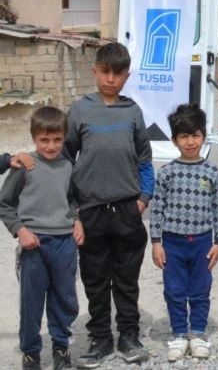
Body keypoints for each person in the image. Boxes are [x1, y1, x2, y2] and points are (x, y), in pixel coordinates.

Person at [65, 42, 154, 368]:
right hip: (90, 212)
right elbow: (64, 159)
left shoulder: (132, 112)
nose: (111, 79)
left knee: (127, 279)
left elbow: (145, 160)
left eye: (118, 73)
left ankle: (129, 336)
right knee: (95, 279)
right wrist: (73, 210)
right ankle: (101, 339)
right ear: (95, 71)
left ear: (127, 76)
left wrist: (143, 199)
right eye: (105, 72)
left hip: (127, 211)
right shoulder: (80, 110)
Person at [0, 107, 82, 370]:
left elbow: (70, 199)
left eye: (57, 139)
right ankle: (31, 352)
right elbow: (4, 203)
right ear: (34, 137)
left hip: (64, 245)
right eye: (44, 140)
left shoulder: (68, 166)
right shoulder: (25, 166)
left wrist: (76, 219)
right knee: (32, 302)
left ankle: (60, 347)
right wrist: (20, 230)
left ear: (64, 138)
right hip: (34, 245)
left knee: (64, 298)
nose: (51, 146)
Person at [149, 104, 218, 362]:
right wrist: (156, 242)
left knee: (201, 289)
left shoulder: (212, 172)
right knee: (174, 290)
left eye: (195, 135)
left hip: (202, 242)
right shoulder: (167, 173)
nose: (190, 142)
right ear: (174, 140)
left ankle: (198, 334)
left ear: (203, 136)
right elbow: (157, 208)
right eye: (184, 136)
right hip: (172, 243)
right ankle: (180, 334)